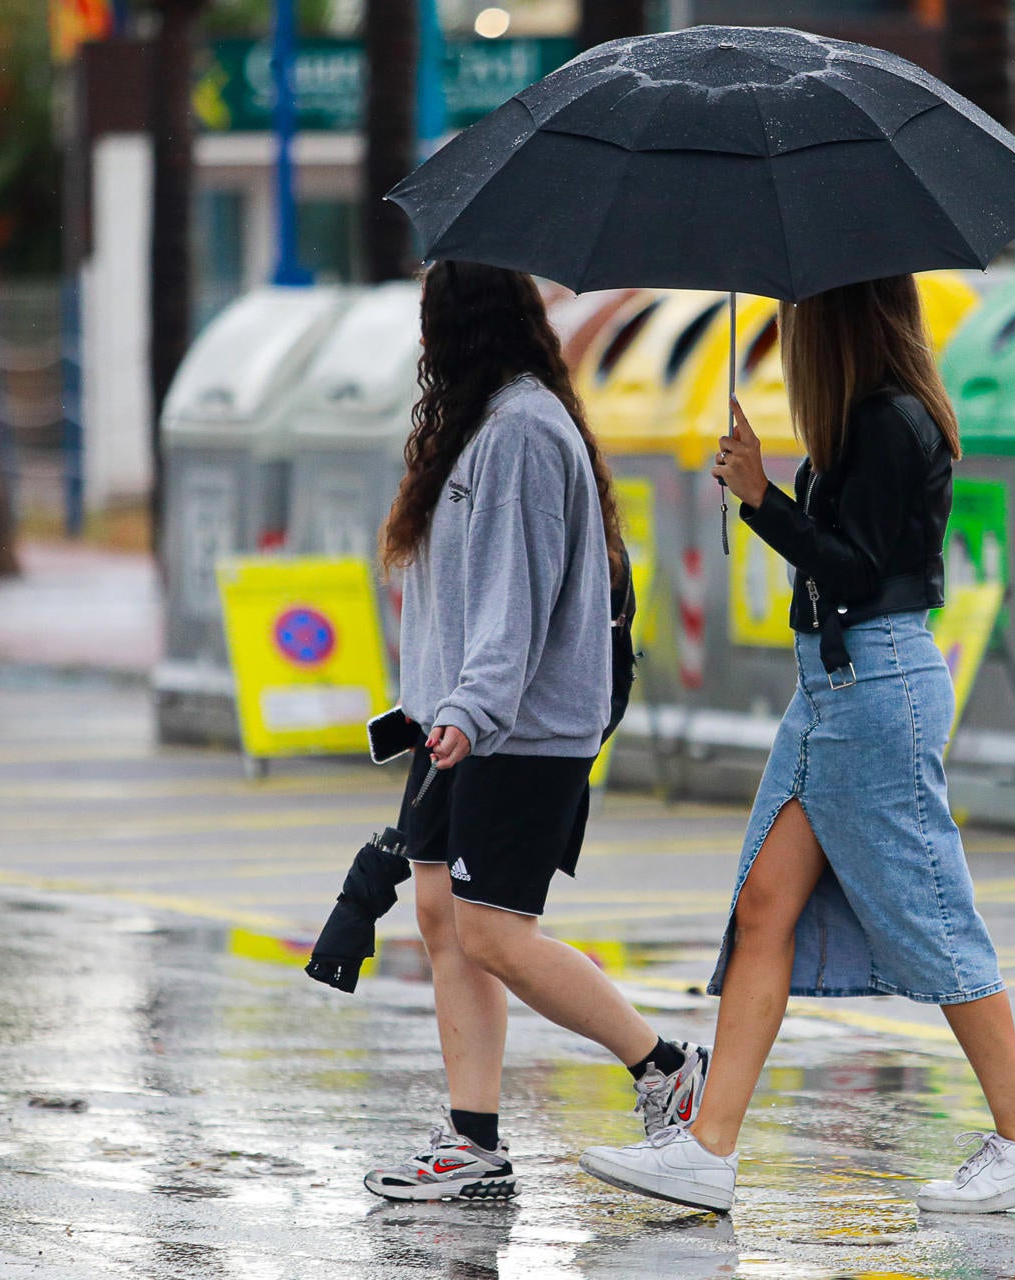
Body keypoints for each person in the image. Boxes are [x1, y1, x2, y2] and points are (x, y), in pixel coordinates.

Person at [579, 276, 1015, 1215]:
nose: (789, 333)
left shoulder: (892, 422)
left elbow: (857, 569)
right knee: (766, 905)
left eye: (799, 315)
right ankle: (708, 1150)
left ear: (840, 318)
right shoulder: (863, 421)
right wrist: (769, 491)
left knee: (933, 910)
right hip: (835, 688)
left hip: (876, 685)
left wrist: (763, 497)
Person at [364, 260, 709, 1202]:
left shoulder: (518, 431)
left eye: (432, 319)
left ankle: (666, 1067)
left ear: (461, 326)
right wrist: (433, 707)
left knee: (493, 931)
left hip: (515, 730)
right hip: (463, 723)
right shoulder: (483, 426)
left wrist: (471, 712)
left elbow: (514, 600)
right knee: (443, 918)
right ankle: (472, 1142)